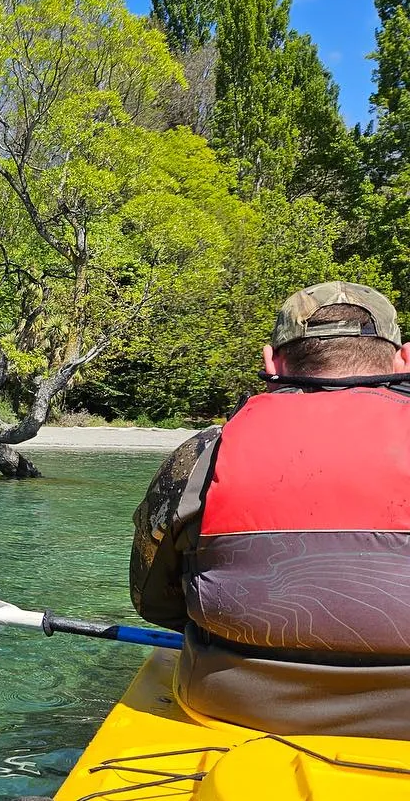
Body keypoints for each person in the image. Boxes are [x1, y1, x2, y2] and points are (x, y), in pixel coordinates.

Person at [131, 281, 410, 740]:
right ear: (403, 360)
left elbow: (153, 601)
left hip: (233, 705)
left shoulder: (204, 454)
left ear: (272, 363)